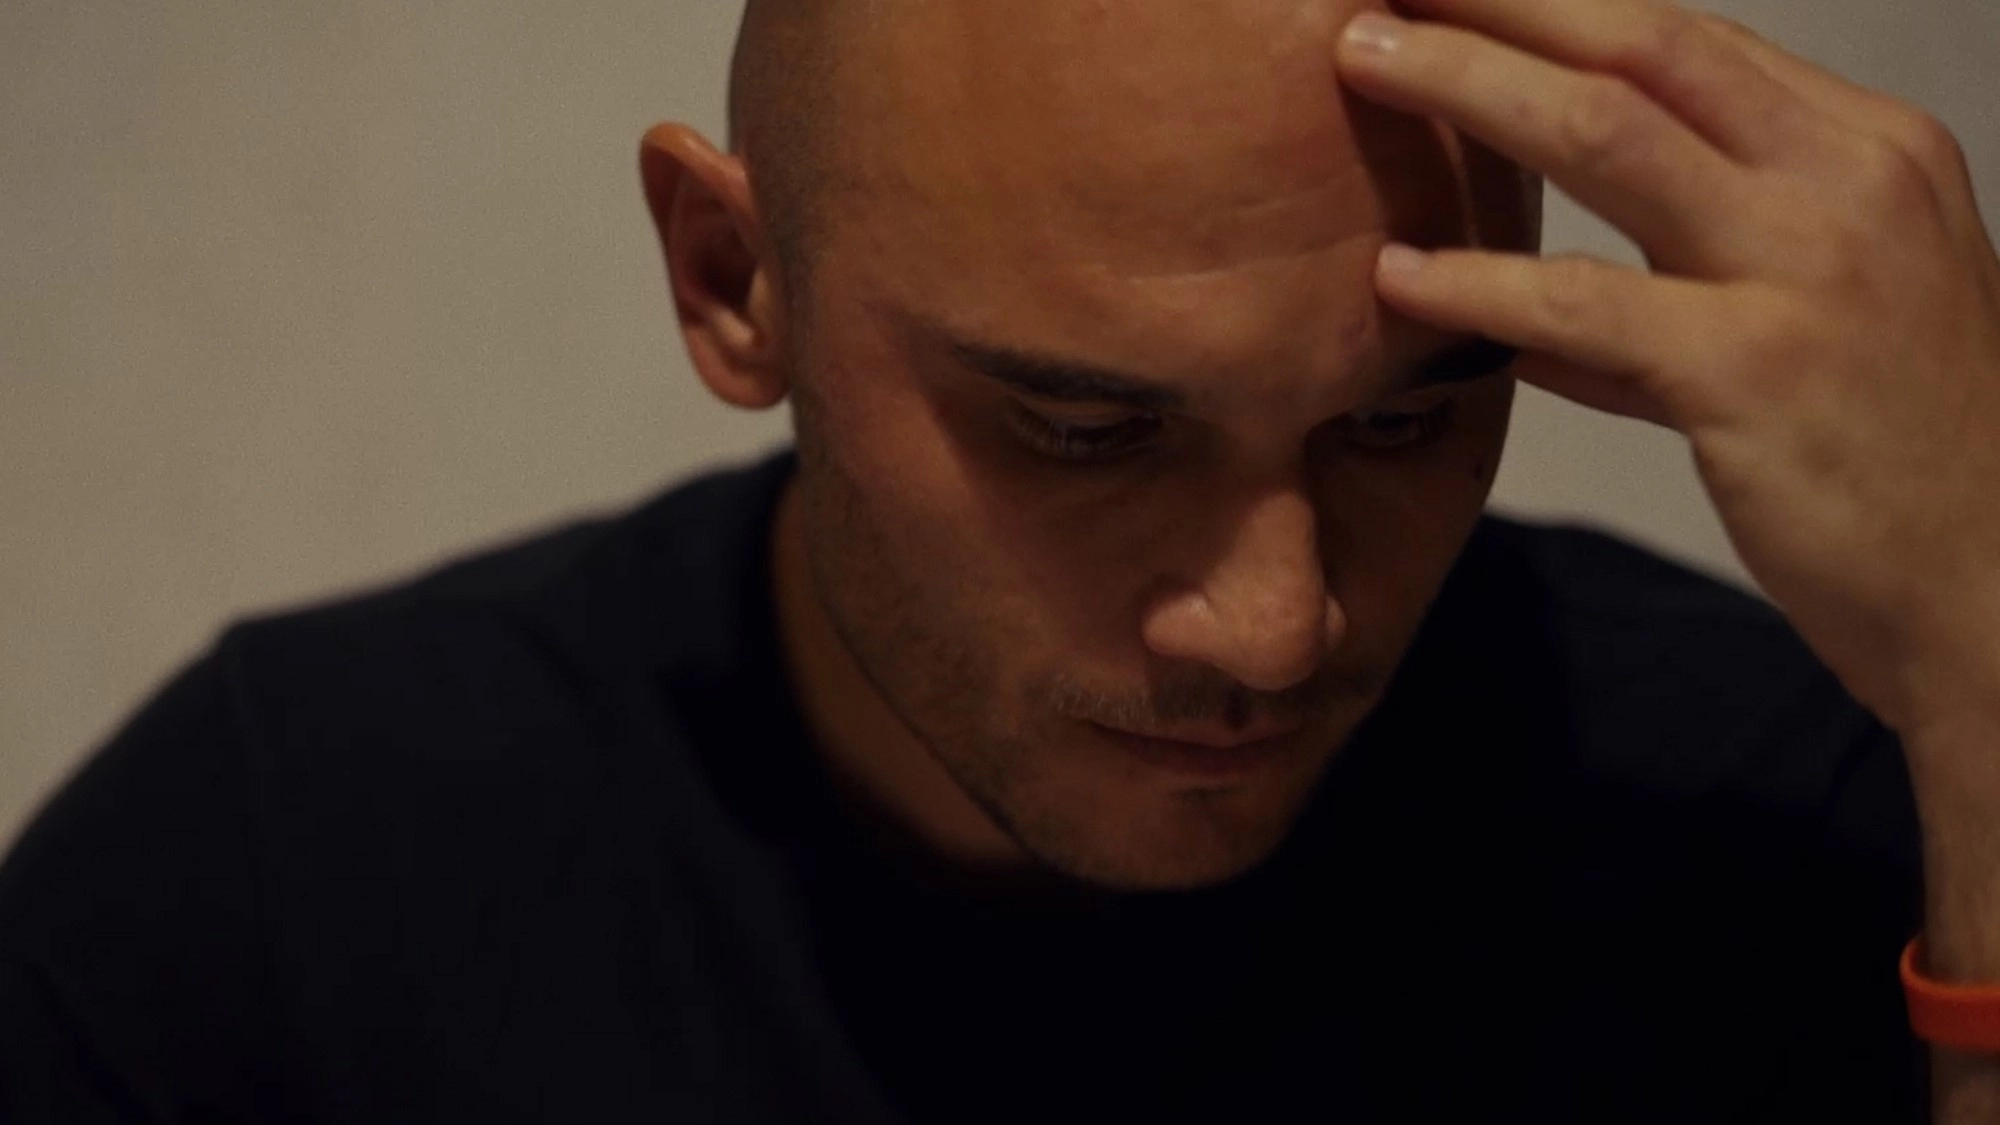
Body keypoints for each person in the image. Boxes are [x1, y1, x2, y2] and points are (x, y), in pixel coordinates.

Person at [4, 0, 1999, 1120]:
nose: (1273, 623)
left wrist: (1992, 670)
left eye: (1404, 423)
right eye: (1085, 431)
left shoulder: (1784, 815)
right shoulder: (287, 879)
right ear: (735, 278)